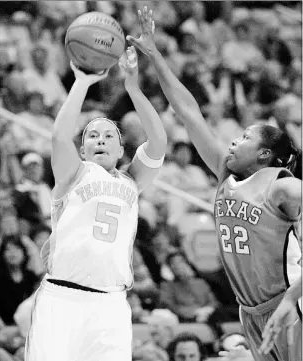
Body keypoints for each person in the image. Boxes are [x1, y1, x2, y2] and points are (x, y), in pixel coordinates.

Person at [127, 7, 302, 361]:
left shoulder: (283, 187)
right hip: (249, 310)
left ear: (265, 155)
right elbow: (188, 110)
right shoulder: (227, 174)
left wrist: (291, 300)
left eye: (244, 137)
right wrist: (155, 55)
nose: (233, 142)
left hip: (290, 305)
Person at [25, 46, 167, 361]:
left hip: (111, 304)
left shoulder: (131, 182)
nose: (100, 139)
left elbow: (158, 141)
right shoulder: (74, 173)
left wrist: (133, 89)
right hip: (63, 297)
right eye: (92, 136)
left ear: (121, 149)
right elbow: (60, 137)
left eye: (108, 136)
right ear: (84, 150)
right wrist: (82, 82)